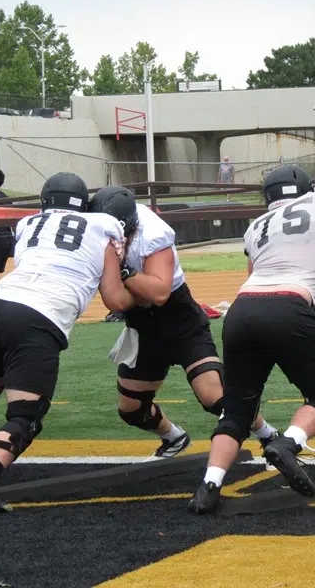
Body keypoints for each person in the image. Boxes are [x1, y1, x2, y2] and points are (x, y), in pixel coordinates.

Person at [188, 164, 315, 514]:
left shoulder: (256, 227)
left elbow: (256, 275)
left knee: (237, 411)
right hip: (288, 306)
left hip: (242, 310)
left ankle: (209, 484)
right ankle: (288, 443)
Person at [0, 172, 136, 512]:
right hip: (39, 316)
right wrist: (138, 300)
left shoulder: (27, 223)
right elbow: (114, 299)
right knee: (28, 414)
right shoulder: (104, 226)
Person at [90, 186, 279, 459]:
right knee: (131, 410)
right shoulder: (91, 227)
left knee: (215, 397)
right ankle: (174, 437)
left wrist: (120, 270)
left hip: (179, 321)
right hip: (142, 328)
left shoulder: (152, 232)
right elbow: (117, 303)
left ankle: (267, 433)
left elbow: (159, 292)